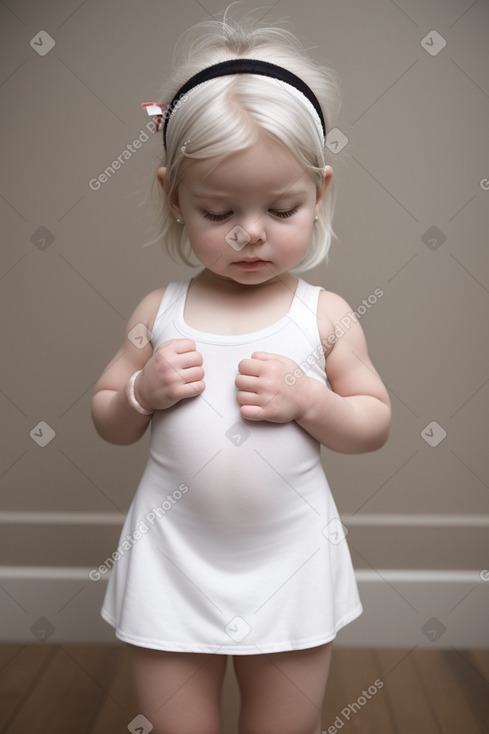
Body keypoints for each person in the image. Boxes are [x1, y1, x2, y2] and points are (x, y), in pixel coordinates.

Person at [91, 10, 391, 734]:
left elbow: (372, 420)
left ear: (318, 192)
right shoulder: (161, 309)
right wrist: (140, 391)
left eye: (280, 207)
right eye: (219, 210)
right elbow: (106, 412)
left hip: (288, 562)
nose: (250, 231)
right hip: (172, 561)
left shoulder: (324, 315)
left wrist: (310, 400)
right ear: (173, 196)